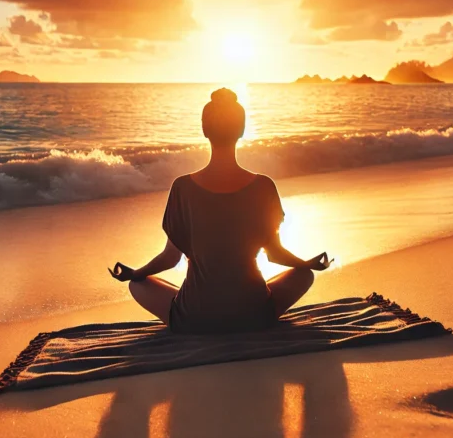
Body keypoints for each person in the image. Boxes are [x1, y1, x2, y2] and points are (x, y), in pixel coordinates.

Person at [110, 88, 331, 334]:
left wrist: (136, 273)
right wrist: (307, 263)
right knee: (304, 276)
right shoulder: (263, 186)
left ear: (204, 130)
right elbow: (275, 255)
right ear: (242, 130)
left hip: (194, 319)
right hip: (254, 315)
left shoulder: (182, 188)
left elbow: (171, 258)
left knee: (138, 285)